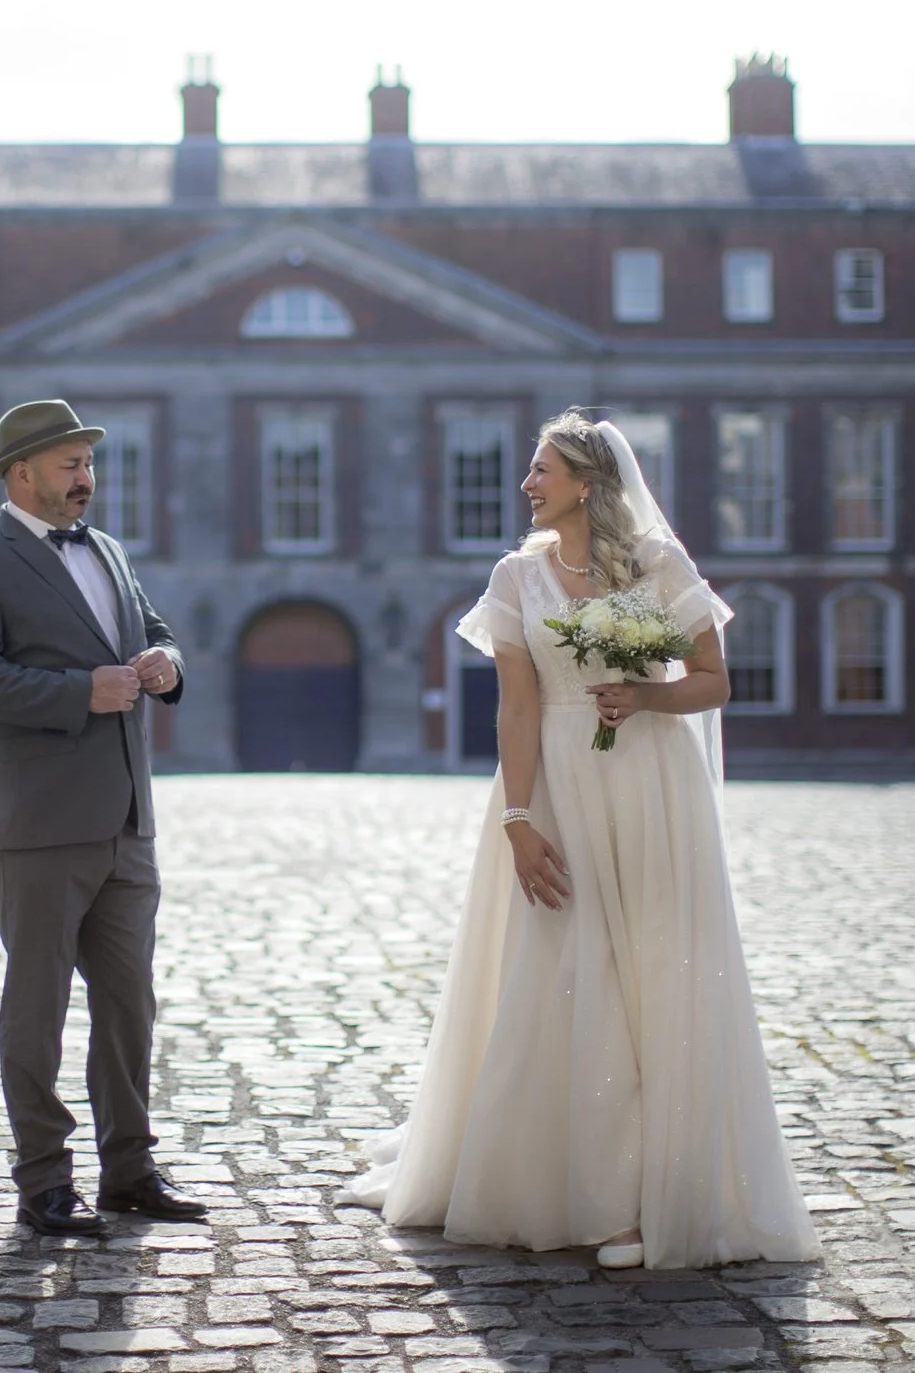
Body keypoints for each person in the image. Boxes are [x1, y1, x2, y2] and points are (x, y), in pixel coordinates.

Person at [339, 410, 818, 1270]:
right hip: (557, 785)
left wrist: (644, 697)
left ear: (587, 484)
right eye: (531, 470)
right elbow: (517, 706)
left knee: (654, 976)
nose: (527, 484)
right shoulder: (517, 577)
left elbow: (713, 682)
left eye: (542, 470)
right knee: (560, 970)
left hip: (652, 790)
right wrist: (519, 821)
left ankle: (652, 1195)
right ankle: (579, 1186)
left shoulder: (659, 565)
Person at [0, 398, 206, 1238]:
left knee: (130, 1004)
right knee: (39, 1005)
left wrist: (167, 660)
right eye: (69, 464)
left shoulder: (112, 552)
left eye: (89, 463)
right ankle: (45, 1180)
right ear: (22, 472)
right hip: (37, 823)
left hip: (128, 816)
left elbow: (150, 628)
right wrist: (78, 692)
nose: (85, 478)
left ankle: (129, 1169)